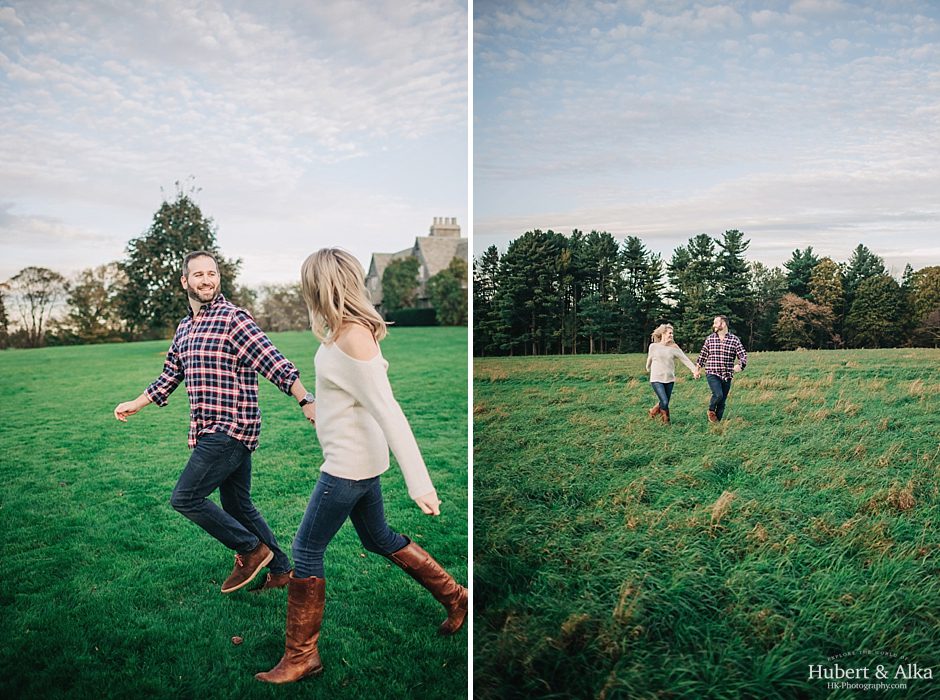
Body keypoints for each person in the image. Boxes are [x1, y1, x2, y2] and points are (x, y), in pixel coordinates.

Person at [255, 248, 468, 685]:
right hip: (360, 460)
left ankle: (301, 657)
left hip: (347, 468)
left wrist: (420, 484)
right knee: (378, 538)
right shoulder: (343, 331)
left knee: (307, 549)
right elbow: (350, 394)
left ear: (320, 286)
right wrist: (319, 404)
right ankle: (457, 596)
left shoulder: (352, 335)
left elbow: (388, 409)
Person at [113, 250, 316, 594]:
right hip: (207, 429)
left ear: (218, 278)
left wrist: (304, 398)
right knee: (238, 505)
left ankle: (251, 550)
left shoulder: (233, 318)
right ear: (184, 281)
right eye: (198, 275)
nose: (206, 280)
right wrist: (138, 403)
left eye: (211, 273)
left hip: (232, 428)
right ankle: (280, 569)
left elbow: (272, 360)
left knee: (186, 497)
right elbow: (170, 375)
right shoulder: (184, 328)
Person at [696, 315, 747, 422]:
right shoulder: (710, 339)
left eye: (716, 323)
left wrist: (740, 365)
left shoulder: (734, 340)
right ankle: (710, 410)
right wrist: (697, 369)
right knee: (718, 394)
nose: (713, 325)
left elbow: (743, 355)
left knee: (722, 401)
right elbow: (703, 355)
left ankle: (716, 423)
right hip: (712, 372)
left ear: (723, 324)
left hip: (727, 374)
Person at [645, 323, 700, 423]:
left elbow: (685, 360)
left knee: (664, 401)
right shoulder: (653, 346)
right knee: (665, 401)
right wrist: (647, 368)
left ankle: (653, 412)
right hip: (656, 378)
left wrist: (694, 371)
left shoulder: (674, 348)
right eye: (670, 333)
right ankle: (666, 422)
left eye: (672, 333)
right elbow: (650, 358)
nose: (672, 335)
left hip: (669, 379)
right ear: (663, 333)